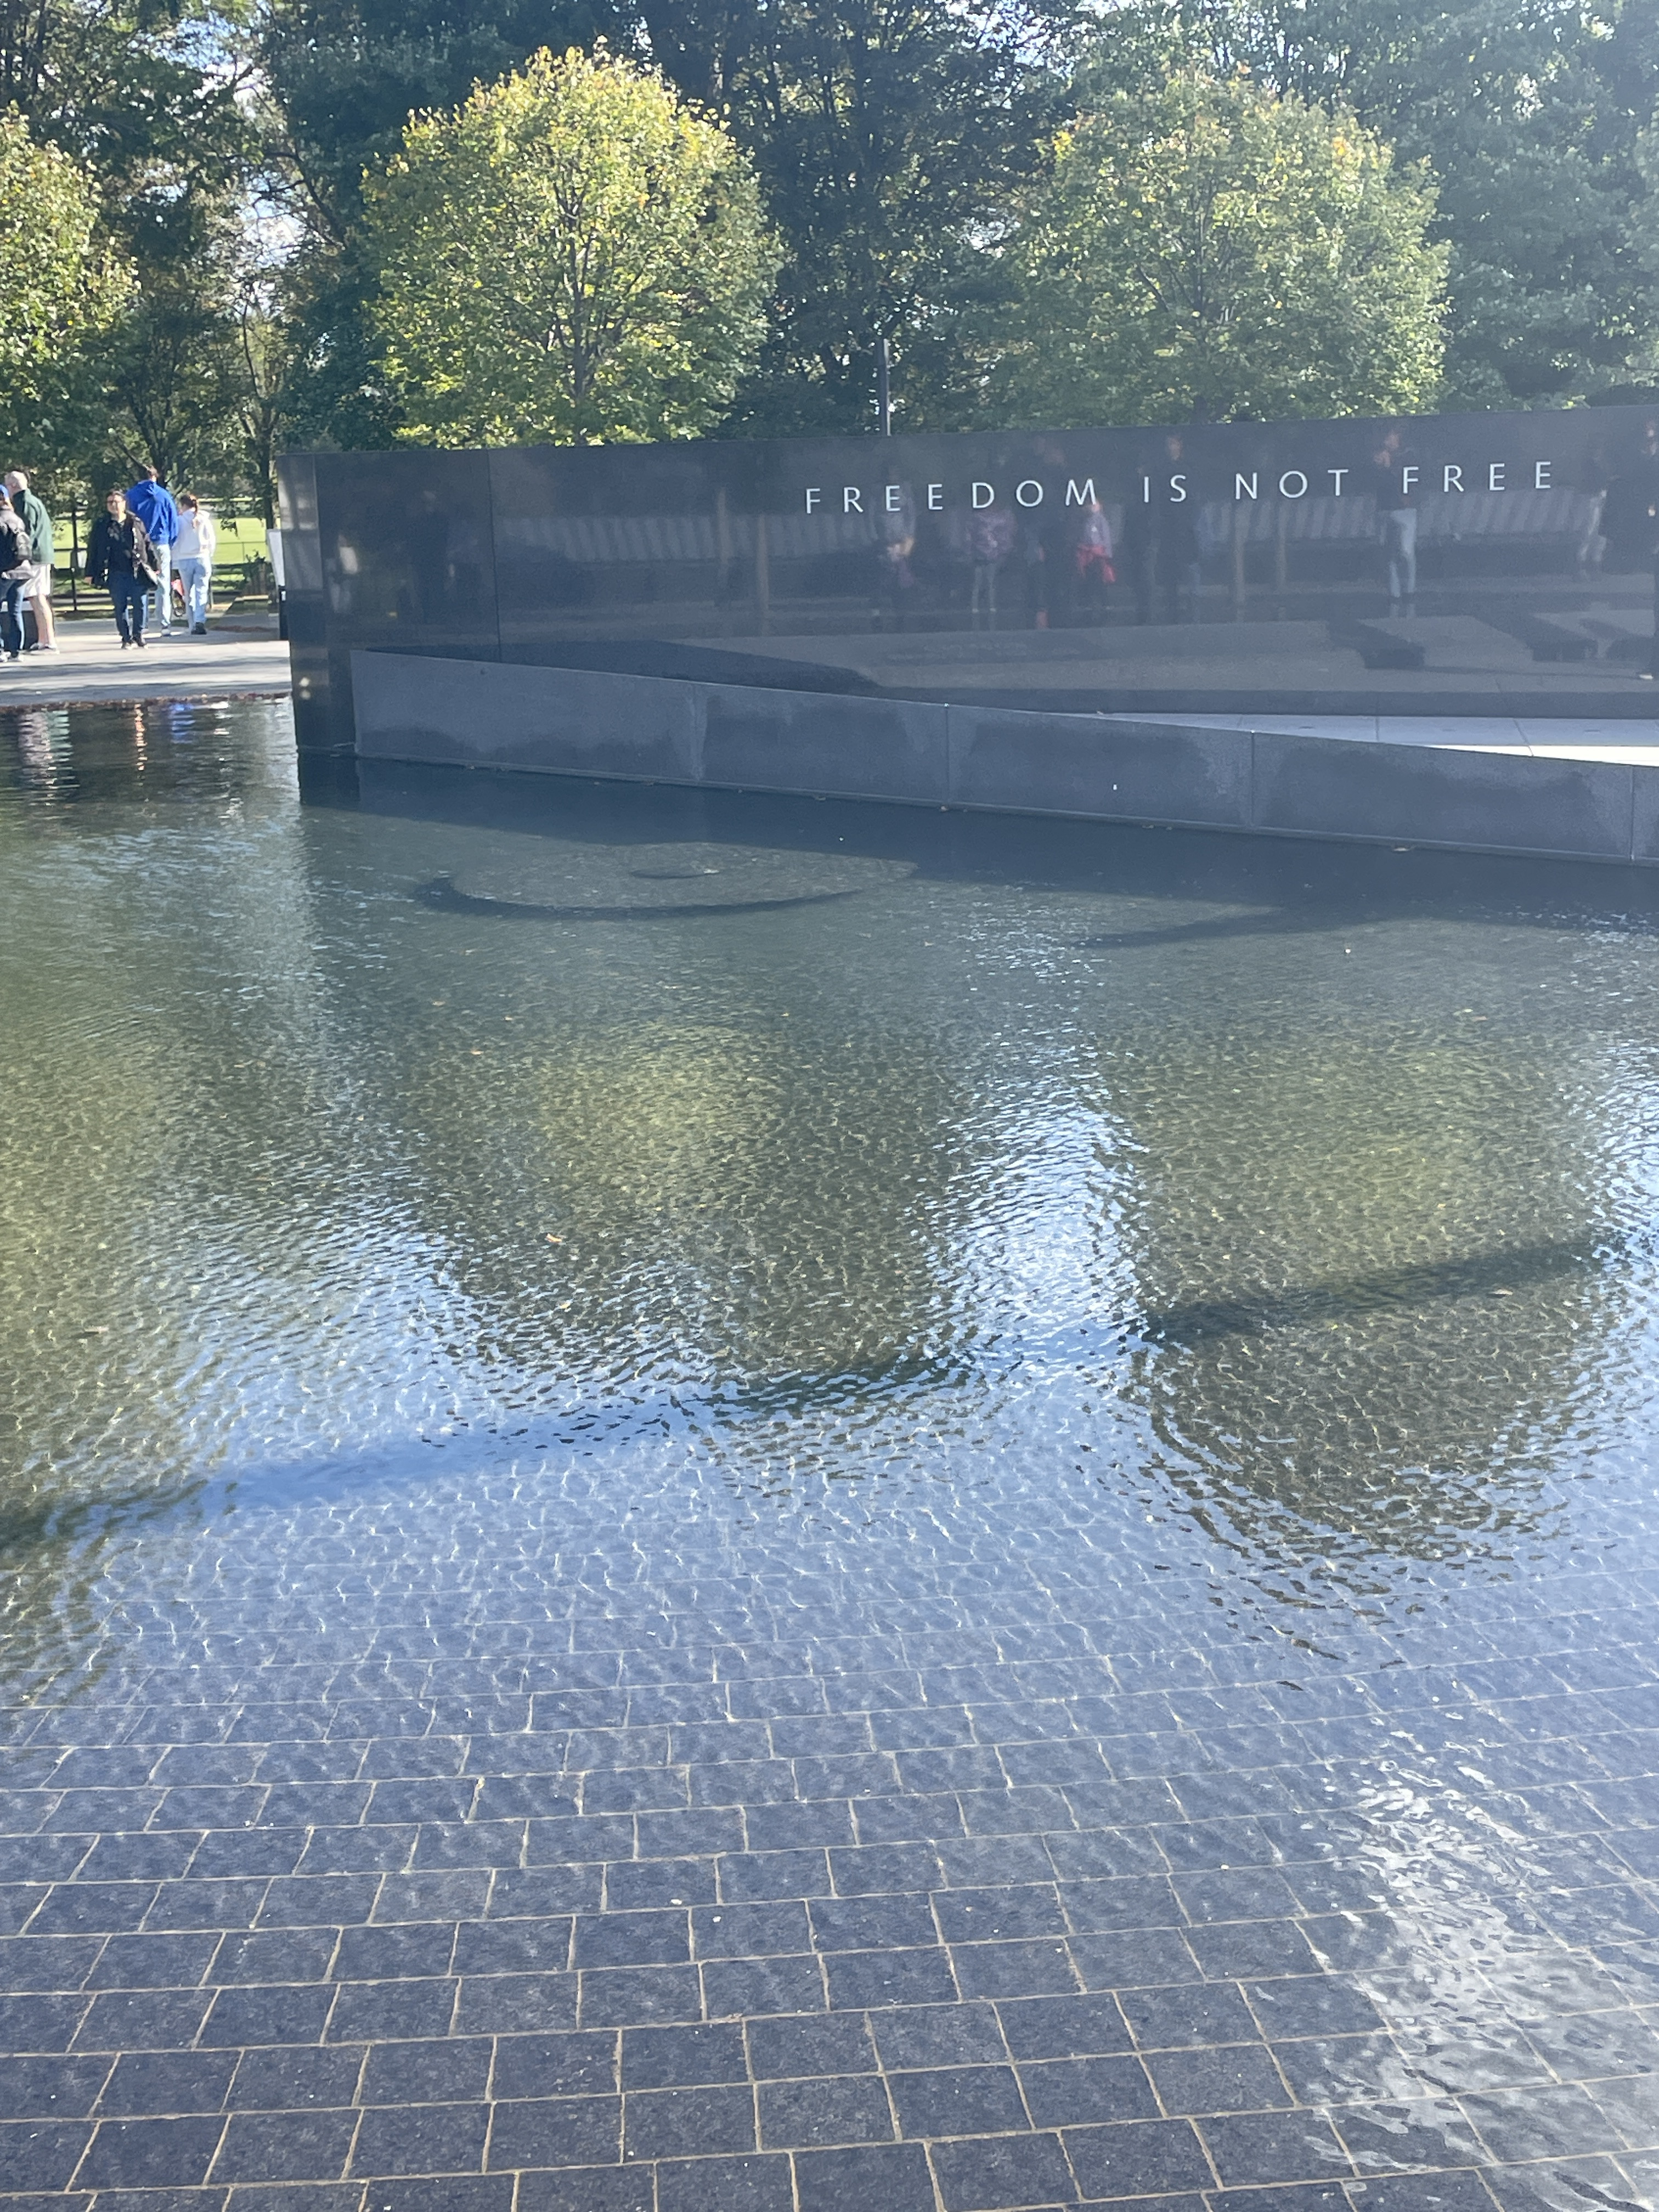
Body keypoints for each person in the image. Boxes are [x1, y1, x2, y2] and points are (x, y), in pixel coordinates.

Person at [87, 488, 160, 647]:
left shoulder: (135, 522)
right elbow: (93, 549)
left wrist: (154, 564)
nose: (113, 505)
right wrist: (90, 572)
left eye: (116, 502)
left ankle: (138, 634)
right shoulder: (102, 525)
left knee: (140, 604)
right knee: (120, 606)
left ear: (124, 503)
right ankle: (126, 638)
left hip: (137, 570)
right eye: (110, 502)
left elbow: (147, 543)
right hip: (115, 572)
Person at [125, 464, 179, 634]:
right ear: (155, 476)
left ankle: (142, 624)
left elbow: (127, 519)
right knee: (163, 583)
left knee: (140, 582)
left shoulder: (131, 496)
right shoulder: (164, 495)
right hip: (161, 541)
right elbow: (173, 522)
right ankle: (165, 624)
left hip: (139, 544)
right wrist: (170, 541)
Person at [4, 470, 56, 650]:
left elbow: (25, 533)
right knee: (36, 597)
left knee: (37, 597)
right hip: (42, 554)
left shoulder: (23, 503)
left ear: (13, 486)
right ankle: (43, 639)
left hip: (35, 556)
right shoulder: (34, 501)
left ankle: (48, 640)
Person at [173, 492, 217, 634]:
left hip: (184, 558)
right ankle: (200, 620)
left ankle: (192, 624)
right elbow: (211, 540)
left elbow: (176, 541)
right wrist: (209, 554)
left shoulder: (179, 521)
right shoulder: (204, 519)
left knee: (188, 593)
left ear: (183, 505)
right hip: (202, 557)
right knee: (201, 591)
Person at [0, 488, 35, 661]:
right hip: (22, 571)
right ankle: (16, 651)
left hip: (5, 572)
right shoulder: (16, 519)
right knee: (15, 611)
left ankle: (1, 650)